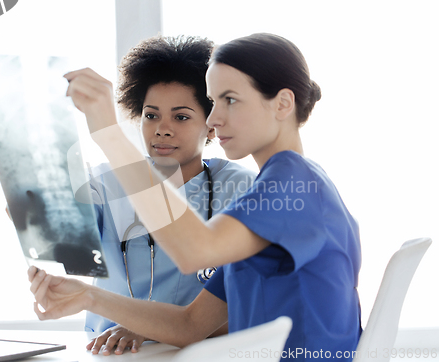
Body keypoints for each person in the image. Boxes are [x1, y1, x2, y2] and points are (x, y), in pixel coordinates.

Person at [29, 33, 361, 362]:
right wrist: (89, 296)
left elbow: (194, 252)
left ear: (283, 104)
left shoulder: (289, 185)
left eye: (229, 99)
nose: (215, 119)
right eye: (214, 102)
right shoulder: (280, 188)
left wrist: (108, 134)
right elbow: (191, 325)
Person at [83, 35, 256, 354]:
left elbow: (250, 306)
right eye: (151, 115)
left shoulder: (240, 188)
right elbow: (59, 233)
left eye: (181, 116)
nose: (162, 129)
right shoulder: (107, 181)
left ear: (211, 124)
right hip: (109, 353)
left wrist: (151, 329)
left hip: (202, 352)